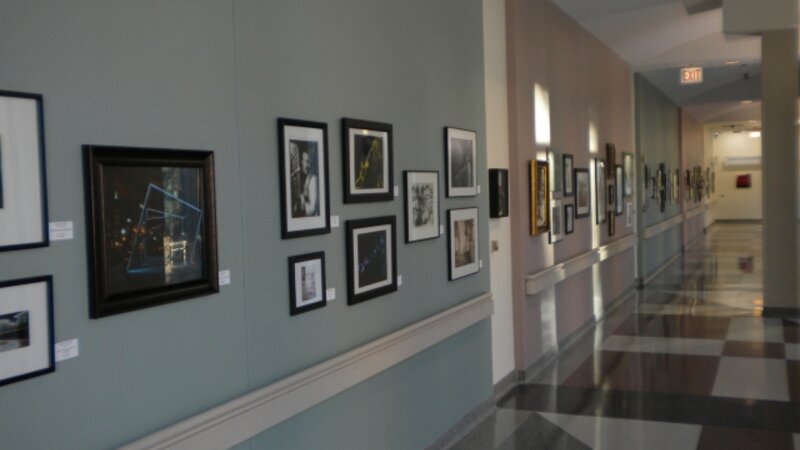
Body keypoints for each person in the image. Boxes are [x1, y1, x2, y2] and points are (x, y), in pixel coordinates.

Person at [291, 142, 318, 217]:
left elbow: (312, 210)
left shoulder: (313, 180)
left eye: (306, 161)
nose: (302, 162)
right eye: (303, 159)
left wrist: (302, 200)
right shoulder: (308, 177)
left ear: (310, 164)